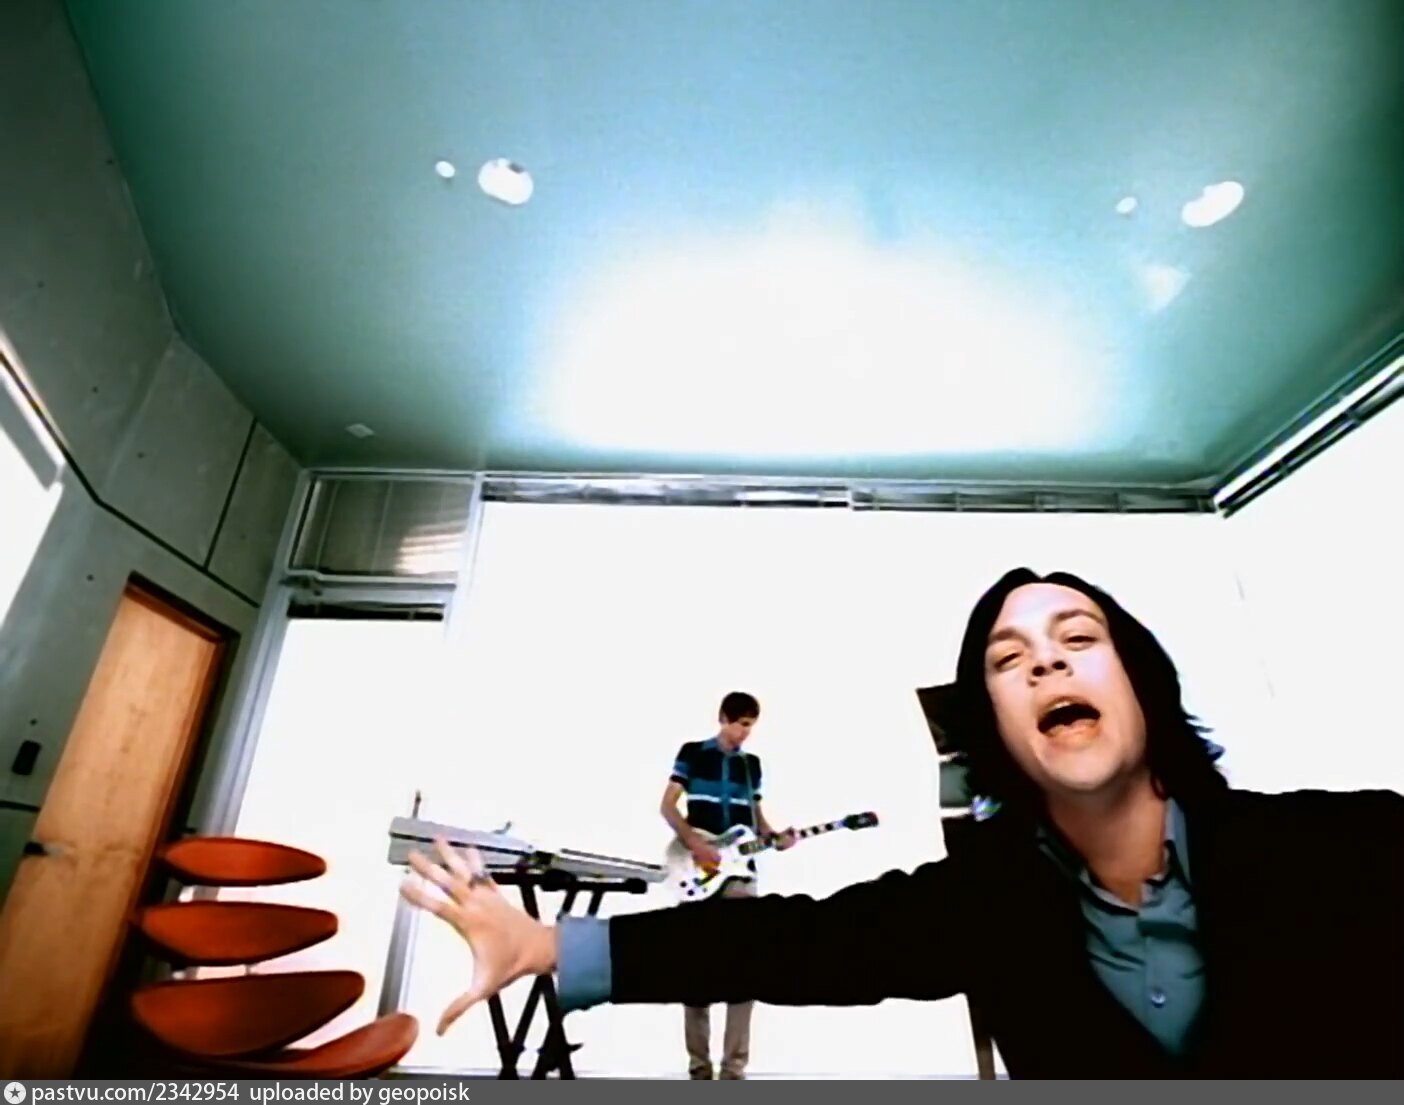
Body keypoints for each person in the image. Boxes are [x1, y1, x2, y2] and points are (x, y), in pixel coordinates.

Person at [399, 569, 1404, 1077]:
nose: (1045, 660)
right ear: (993, 729)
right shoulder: (987, 900)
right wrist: (545, 942)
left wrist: (772, 833)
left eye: (1078, 637)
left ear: (1145, 681)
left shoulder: (1351, 848)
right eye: (1007, 658)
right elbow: (793, 942)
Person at [659, 690, 794, 1079]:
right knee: (694, 971)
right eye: (739, 724)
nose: (744, 733)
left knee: (745, 970)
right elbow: (668, 805)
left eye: (750, 726)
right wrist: (694, 842)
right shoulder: (692, 753)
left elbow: (755, 817)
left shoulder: (751, 766)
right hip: (697, 870)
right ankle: (699, 1069)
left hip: (741, 874)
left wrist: (775, 837)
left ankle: (734, 1071)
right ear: (723, 718)